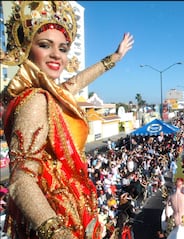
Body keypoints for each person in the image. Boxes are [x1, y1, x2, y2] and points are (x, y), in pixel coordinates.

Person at [0, 1, 134, 238]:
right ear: (27, 48)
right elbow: (20, 181)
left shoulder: (48, 94)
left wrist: (115, 58)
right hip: (57, 215)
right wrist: (57, 232)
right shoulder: (35, 100)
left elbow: (77, 81)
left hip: (70, 208)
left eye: (63, 49)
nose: (56, 55)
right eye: (44, 45)